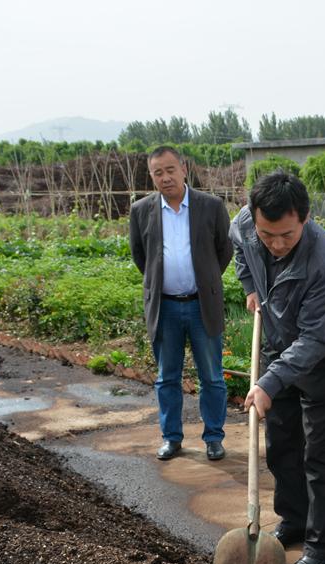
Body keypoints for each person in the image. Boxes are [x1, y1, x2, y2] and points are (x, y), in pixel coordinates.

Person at [230, 171, 325, 564]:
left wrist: (268, 382)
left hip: (322, 355)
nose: (277, 243)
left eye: (286, 235)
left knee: (322, 453)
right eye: (268, 236)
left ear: (305, 218)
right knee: (282, 444)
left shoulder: (323, 258)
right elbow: (239, 249)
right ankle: (294, 520)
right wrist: (250, 285)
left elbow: (317, 337)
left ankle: (323, 545)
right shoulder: (247, 225)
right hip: (275, 342)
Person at [128, 146, 233, 462]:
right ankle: (171, 438)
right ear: (152, 176)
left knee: (212, 376)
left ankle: (214, 438)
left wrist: (206, 279)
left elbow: (223, 251)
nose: (165, 177)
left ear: (184, 169)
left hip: (203, 305)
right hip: (166, 307)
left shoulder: (210, 206)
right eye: (158, 172)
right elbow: (140, 256)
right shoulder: (141, 210)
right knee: (167, 377)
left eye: (170, 169)